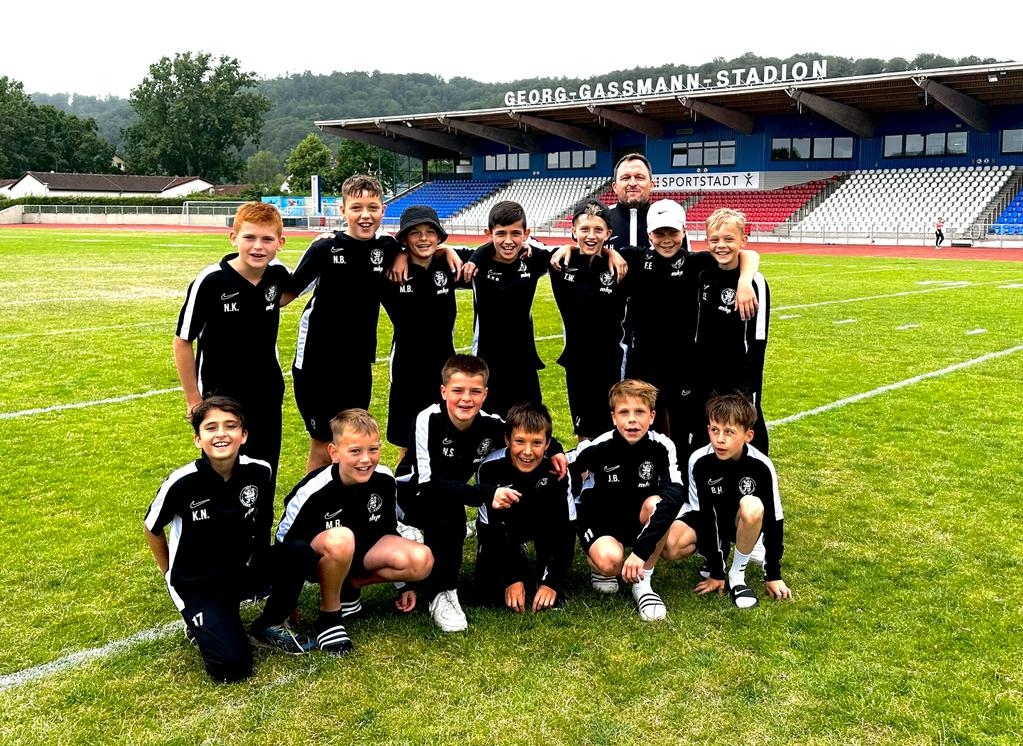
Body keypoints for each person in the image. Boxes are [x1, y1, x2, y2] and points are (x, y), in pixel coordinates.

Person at [144, 397, 313, 684]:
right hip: (201, 584)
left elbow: (261, 521)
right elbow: (151, 528)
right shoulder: (182, 483)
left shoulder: (259, 471)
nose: (221, 434)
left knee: (299, 552)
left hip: (242, 569)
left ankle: (268, 626)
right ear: (198, 439)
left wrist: (285, 594)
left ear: (243, 435)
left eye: (230, 426)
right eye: (211, 428)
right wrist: (168, 572)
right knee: (232, 669)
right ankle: (201, 623)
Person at [395, 354, 567, 632]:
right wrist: (487, 495)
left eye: (475, 391)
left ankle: (493, 554)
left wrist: (556, 449)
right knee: (449, 510)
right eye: (458, 391)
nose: (466, 399)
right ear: (443, 392)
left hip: (451, 495)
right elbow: (428, 485)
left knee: (464, 503)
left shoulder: (490, 424)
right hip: (410, 500)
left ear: (485, 394)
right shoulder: (428, 419)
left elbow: (524, 432)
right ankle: (442, 593)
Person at [249, 408, 434, 654]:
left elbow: (388, 530)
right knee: (342, 537)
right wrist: (287, 597)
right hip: (319, 560)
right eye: (355, 451)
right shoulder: (313, 489)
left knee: (422, 560)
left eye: (373, 449)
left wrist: (404, 585)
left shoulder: (385, 479)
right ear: (334, 453)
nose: (365, 459)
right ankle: (330, 618)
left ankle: (351, 585)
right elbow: (285, 543)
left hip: (361, 554)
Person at [173, 201, 291, 524]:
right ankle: (220, 544)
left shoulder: (278, 275)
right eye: (249, 237)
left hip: (267, 394)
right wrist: (194, 400)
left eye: (267, 239)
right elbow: (182, 341)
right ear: (233, 237)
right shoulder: (210, 281)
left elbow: (298, 287)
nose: (258, 246)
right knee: (222, 473)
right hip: (220, 398)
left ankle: (260, 545)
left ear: (280, 243)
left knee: (263, 471)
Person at [620, 198, 760, 449]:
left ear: (684, 231)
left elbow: (747, 253)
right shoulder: (634, 258)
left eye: (672, 232)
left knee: (681, 426)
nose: (666, 239)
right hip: (643, 361)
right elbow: (598, 252)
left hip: (683, 365)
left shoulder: (697, 262)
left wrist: (745, 280)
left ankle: (681, 470)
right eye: (659, 233)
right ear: (649, 234)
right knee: (643, 423)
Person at [287, 174, 402, 474]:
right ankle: (309, 501)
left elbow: (416, 245)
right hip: (317, 362)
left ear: (383, 210)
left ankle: (345, 498)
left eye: (373, 208)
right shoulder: (325, 248)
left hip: (358, 363)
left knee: (353, 438)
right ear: (342, 210)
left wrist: (405, 255)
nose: (365, 215)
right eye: (356, 208)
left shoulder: (387, 247)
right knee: (323, 443)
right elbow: (288, 293)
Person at [567, 379, 685, 621]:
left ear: (652, 416)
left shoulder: (662, 446)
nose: (632, 420)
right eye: (624, 412)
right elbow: (564, 469)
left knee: (658, 504)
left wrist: (640, 553)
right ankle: (599, 566)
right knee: (609, 562)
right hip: (603, 521)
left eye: (640, 412)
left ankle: (643, 583)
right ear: (613, 417)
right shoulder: (598, 446)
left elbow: (675, 495)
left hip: (638, 520)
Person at [667, 393, 791, 609]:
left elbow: (774, 519)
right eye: (714, 430)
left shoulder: (762, 465)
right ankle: (717, 556)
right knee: (671, 546)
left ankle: (737, 575)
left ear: (748, 436)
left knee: (752, 506)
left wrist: (773, 574)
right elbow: (704, 515)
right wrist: (716, 571)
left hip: (741, 522)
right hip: (710, 520)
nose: (720, 439)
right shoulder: (699, 460)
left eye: (729, 432)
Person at [380, 204, 473, 461]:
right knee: (407, 441)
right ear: (404, 239)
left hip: (445, 365)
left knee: (445, 436)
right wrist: (400, 254)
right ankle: (405, 485)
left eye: (430, 232)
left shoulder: (448, 265)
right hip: (406, 367)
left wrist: (447, 249)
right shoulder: (391, 271)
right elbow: (366, 247)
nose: (424, 238)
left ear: (439, 236)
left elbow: (489, 252)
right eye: (415, 233)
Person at [473, 402, 576, 613]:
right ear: (507, 440)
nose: (527, 452)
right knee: (486, 594)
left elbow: (566, 530)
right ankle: (516, 556)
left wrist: (551, 582)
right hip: (505, 528)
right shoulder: (490, 468)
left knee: (551, 574)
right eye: (519, 441)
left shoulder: (557, 470)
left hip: (543, 525)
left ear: (548, 444)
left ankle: (543, 568)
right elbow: (489, 530)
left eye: (537, 443)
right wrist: (512, 578)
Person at [689, 208, 771, 454]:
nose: (721, 245)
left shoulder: (755, 282)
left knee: (745, 427)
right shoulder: (702, 273)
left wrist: (750, 385)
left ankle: (756, 468)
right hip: (706, 372)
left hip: (740, 375)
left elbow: (758, 338)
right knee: (708, 430)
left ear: (743, 240)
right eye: (714, 240)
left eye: (729, 239)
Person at [548, 200, 630, 441]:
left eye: (598, 230)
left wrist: (612, 252)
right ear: (574, 231)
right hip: (577, 360)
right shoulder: (560, 263)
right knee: (583, 429)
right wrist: (566, 247)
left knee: (613, 423)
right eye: (584, 229)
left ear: (608, 233)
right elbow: (521, 244)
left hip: (611, 359)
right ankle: (585, 465)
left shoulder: (620, 267)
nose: (591, 236)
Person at [464, 201, 552, 418]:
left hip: (524, 362)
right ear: (488, 234)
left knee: (530, 423)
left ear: (526, 234)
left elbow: (567, 251)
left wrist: (611, 254)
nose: (508, 240)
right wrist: (478, 255)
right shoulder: (476, 264)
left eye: (516, 233)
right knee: (489, 425)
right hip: (487, 361)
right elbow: (439, 250)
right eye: (501, 233)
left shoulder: (533, 261)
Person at [604, 153, 686, 252]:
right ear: (615, 187)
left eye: (639, 177)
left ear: (651, 185)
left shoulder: (672, 220)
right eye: (625, 178)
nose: (633, 183)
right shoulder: (601, 219)